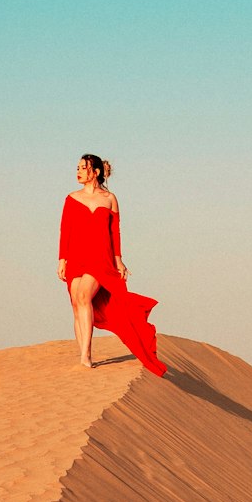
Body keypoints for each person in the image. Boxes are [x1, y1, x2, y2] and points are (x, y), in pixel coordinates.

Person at [57, 154, 168, 375]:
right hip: (76, 256)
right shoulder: (71, 198)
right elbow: (65, 230)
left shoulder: (109, 198)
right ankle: (83, 352)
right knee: (77, 304)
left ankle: (86, 355)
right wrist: (62, 260)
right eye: (77, 167)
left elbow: (114, 232)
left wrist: (118, 260)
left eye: (83, 168)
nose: (77, 171)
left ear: (95, 172)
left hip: (100, 257)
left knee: (84, 297)